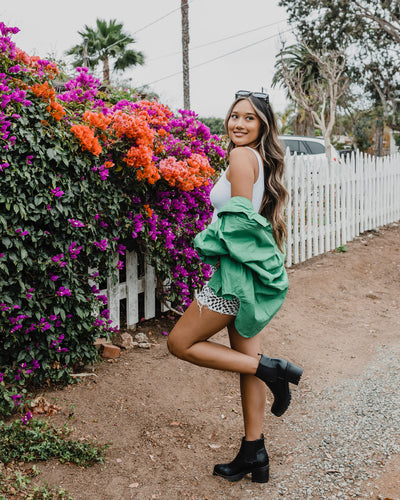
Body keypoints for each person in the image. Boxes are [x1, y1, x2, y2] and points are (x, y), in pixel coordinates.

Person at [167, 90, 303, 484]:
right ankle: (254, 455)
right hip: (245, 272)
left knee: (179, 343)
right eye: (234, 116)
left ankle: (273, 369)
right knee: (246, 366)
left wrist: (206, 241)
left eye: (249, 118)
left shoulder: (242, 156)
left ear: (262, 125)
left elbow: (240, 224)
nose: (238, 124)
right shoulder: (257, 158)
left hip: (233, 276)